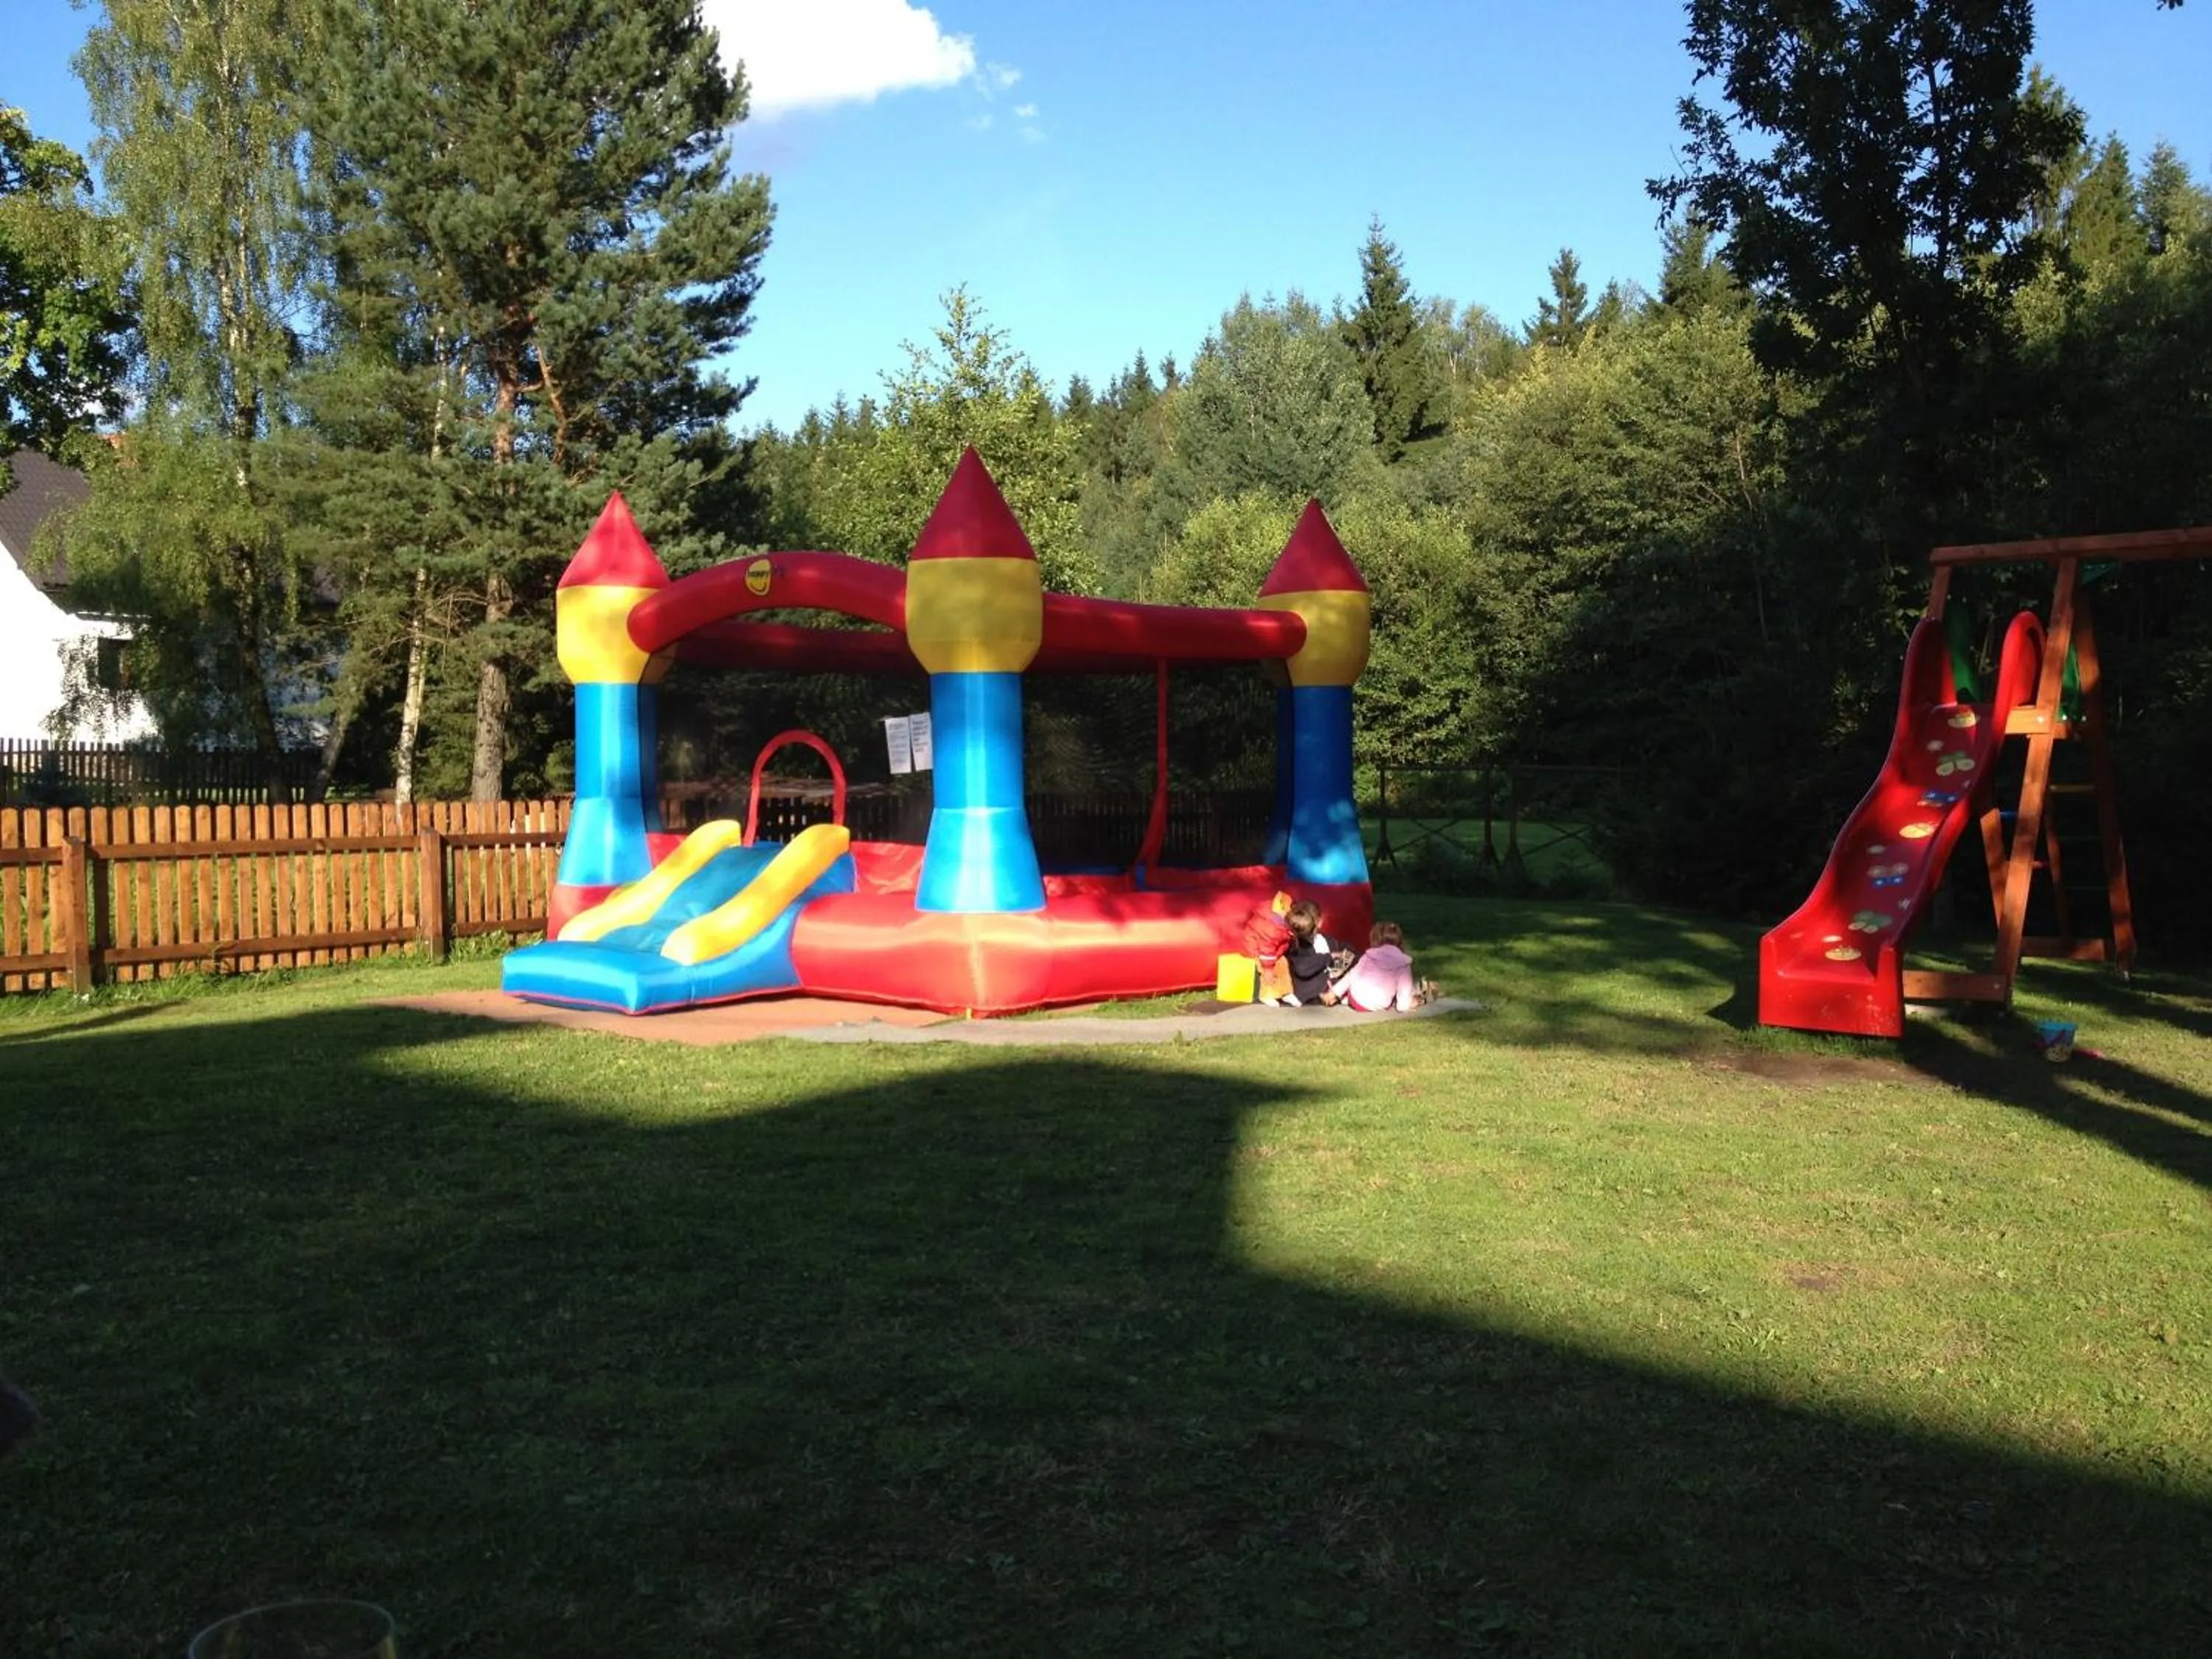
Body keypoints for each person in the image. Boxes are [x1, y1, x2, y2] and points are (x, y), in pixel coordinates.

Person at [1321, 921, 1430, 1013]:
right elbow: (1402, 1006)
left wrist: (1334, 992)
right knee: (1403, 992)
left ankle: (1340, 997)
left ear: (1374, 939)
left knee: (1352, 977)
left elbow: (1351, 976)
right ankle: (1419, 991)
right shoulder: (1403, 963)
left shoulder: (1369, 956)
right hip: (1380, 1003)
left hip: (1356, 1000)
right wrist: (1412, 1002)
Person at [1281, 899, 1338, 1006]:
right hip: (1306, 996)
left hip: (1328, 991)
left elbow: (1348, 953)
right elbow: (1302, 968)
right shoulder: (1295, 946)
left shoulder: (1328, 941)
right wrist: (1328, 957)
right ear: (1319, 922)